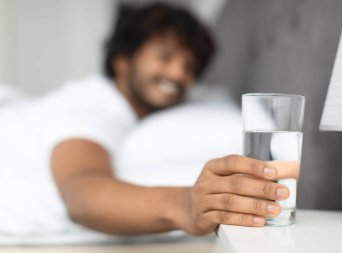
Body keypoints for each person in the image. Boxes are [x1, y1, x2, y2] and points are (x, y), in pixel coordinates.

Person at [0, 3, 292, 237]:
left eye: (190, 66)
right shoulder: (91, 104)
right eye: (165, 57)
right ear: (122, 61)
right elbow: (80, 192)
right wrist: (187, 205)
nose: (179, 74)